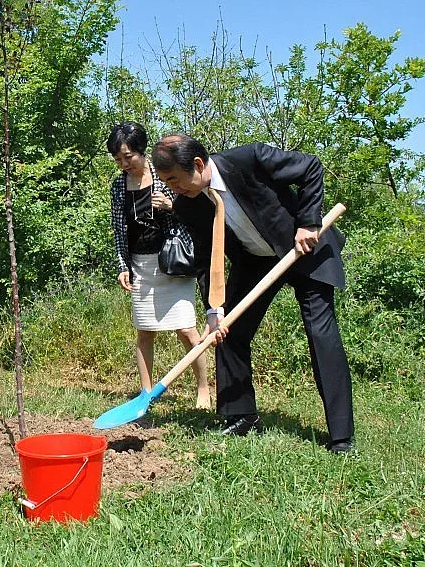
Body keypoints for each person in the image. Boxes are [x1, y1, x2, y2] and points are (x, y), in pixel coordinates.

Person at [151, 135, 354, 453]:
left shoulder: (249, 159)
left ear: (198, 164)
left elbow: (311, 168)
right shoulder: (189, 204)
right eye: (166, 183)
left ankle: (341, 436)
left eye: (174, 180)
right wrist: (213, 308)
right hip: (256, 260)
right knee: (227, 330)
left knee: (320, 333)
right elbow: (206, 258)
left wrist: (308, 223)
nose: (173, 190)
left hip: (303, 249)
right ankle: (241, 416)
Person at [108, 122, 211, 409]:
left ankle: (203, 390)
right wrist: (122, 265)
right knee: (145, 332)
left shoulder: (166, 176)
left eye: (128, 157)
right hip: (140, 264)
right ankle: (146, 392)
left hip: (173, 261)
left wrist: (170, 206)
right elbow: (119, 230)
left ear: (142, 151)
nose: (124, 164)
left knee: (187, 330)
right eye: (118, 160)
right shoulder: (118, 186)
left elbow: (196, 217)